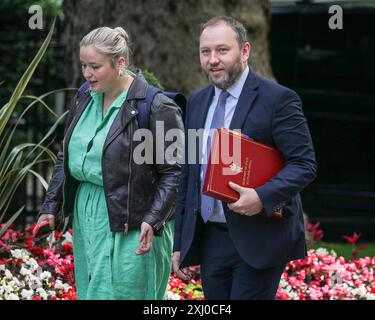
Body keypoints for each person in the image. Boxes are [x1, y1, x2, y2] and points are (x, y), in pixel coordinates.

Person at [172, 16, 317, 300]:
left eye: (222, 50)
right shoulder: (197, 101)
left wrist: (261, 197)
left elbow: (304, 164)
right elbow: (189, 175)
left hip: (259, 238)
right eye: (206, 52)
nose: (213, 60)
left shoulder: (278, 99)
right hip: (211, 240)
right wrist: (180, 242)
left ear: (245, 51)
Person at [37, 26, 184, 300]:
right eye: (83, 65)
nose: (87, 74)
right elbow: (65, 155)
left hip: (135, 221)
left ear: (120, 63)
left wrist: (154, 218)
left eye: (95, 66)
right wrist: (51, 205)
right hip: (88, 215)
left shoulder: (157, 107)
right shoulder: (85, 96)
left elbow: (174, 173)